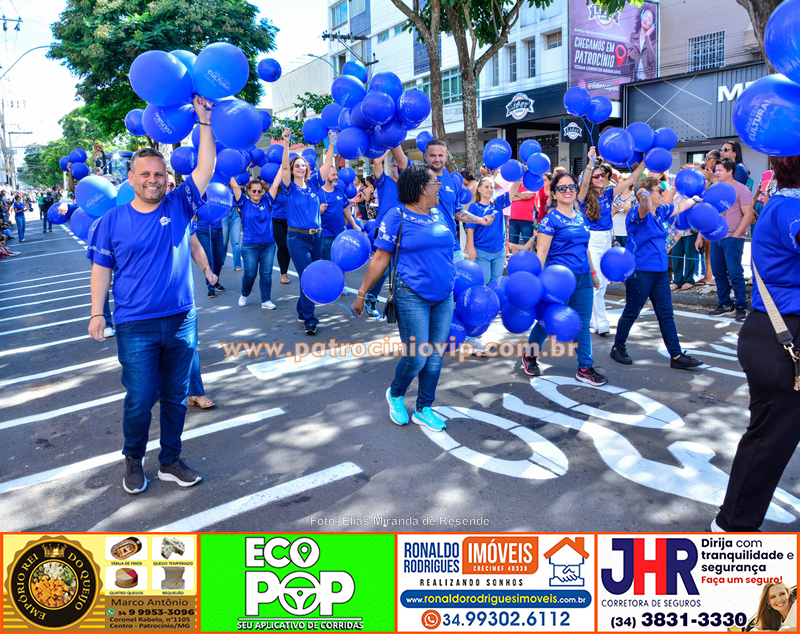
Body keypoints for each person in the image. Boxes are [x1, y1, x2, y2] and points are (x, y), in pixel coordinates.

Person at [86, 94, 214, 494]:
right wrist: (96, 313)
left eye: (159, 174)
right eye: (145, 175)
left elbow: (206, 167)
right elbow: (101, 268)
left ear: (166, 178)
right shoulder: (112, 220)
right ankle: (133, 458)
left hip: (181, 320)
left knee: (176, 398)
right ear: (132, 178)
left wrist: (204, 122)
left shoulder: (180, 204)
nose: (153, 180)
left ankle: (170, 461)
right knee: (141, 399)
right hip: (134, 325)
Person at [713, 155, 800, 533]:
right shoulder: (790, 208)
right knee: (770, 440)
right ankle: (730, 529)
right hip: (782, 339)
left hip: (778, 333)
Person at [352, 163, 456, 432]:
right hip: (411, 294)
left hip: (444, 295)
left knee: (434, 356)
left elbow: (447, 252)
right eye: (436, 184)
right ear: (422, 188)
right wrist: (362, 293)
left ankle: (424, 408)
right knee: (417, 356)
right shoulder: (396, 216)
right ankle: (396, 394)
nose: (440, 188)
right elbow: (380, 257)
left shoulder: (438, 215)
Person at [509, 172, 606, 386]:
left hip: (582, 280)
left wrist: (592, 273)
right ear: (553, 193)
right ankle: (529, 355)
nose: (568, 191)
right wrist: (537, 284)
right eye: (562, 188)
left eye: (571, 186)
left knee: (581, 324)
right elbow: (541, 253)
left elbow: (584, 248)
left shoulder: (580, 217)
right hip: (557, 282)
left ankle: (585, 367)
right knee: (547, 321)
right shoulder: (549, 220)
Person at [609, 178, 704, 369]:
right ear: (645, 192)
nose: (663, 193)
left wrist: (695, 199)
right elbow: (644, 207)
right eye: (658, 190)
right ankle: (618, 348)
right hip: (640, 271)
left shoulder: (661, 211)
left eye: (662, 190)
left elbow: (680, 206)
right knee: (631, 312)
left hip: (660, 272)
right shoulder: (637, 212)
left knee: (666, 315)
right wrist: (643, 198)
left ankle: (676, 356)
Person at [577, 147, 646, 336]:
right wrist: (591, 162)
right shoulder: (582, 198)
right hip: (592, 240)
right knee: (597, 282)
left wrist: (644, 162)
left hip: (608, 239)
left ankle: (593, 318)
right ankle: (601, 323)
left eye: (602, 176)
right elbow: (583, 185)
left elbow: (631, 180)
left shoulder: (607, 194)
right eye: (596, 176)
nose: (600, 178)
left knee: (604, 282)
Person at [280, 127, 335, 335]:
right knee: (308, 276)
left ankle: (301, 310)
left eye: (303, 165)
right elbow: (284, 168)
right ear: (293, 169)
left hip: (317, 236)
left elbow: (328, 164)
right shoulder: (289, 187)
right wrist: (286, 143)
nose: (301, 168)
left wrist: (331, 143)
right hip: (297, 238)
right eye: (297, 166)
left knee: (309, 276)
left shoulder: (313, 184)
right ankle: (310, 320)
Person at [701, 158, 755, 321]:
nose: (715, 173)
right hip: (715, 236)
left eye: (719, 170)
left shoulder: (742, 189)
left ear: (730, 171)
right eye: (715, 170)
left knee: (735, 273)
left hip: (733, 238)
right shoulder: (714, 189)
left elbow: (748, 214)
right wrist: (702, 235)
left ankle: (741, 306)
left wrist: (736, 234)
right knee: (719, 273)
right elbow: (707, 213)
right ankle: (725, 304)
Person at [231, 174, 277, 310]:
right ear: (248, 192)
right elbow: (234, 185)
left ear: (263, 192)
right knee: (250, 273)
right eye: (254, 191)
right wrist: (223, 166)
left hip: (268, 244)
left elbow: (275, 185)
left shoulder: (267, 201)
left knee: (266, 273)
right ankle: (244, 294)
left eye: (259, 191)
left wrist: (283, 165)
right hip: (250, 245)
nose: (257, 193)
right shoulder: (244, 203)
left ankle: (266, 300)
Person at [464, 177, 520, 284]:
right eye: (486, 187)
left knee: (495, 281)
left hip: (499, 250)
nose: (490, 189)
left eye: (492, 187)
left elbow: (511, 194)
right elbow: (470, 229)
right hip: (482, 251)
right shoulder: (474, 207)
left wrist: (517, 179)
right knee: (484, 280)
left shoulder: (497, 203)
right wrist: (471, 248)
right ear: (479, 189)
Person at [187, 225, 218, 409]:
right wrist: (98, 312)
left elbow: (195, 247)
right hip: (138, 307)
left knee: (189, 348)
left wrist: (206, 270)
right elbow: (103, 265)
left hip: (180, 302)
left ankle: (196, 393)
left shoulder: (179, 210)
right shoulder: (117, 217)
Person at [320, 164, 360, 260]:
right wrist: (319, 210)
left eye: (336, 175)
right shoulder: (318, 192)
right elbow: (310, 214)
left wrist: (354, 225)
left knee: (341, 261)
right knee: (329, 264)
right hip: (325, 236)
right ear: (325, 176)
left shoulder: (339, 191)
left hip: (340, 234)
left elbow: (346, 209)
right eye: (333, 175)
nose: (336, 177)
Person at [269, 170, 292, 286]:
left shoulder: (291, 189)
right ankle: (283, 274)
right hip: (276, 220)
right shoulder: (274, 189)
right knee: (282, 246)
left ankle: (285, 272)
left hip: (290, 222)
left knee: (288, 248)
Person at [628, 2, 657, 81]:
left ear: (653, 25)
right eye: (645, 15)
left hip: (648, 84)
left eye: (649, 19)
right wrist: (630, 58)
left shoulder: (654, 42)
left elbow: (652, 60)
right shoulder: (633, 36)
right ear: (641, 15)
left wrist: (647, 37)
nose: (646, 19)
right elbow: (629, 67)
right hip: (635, 81)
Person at [508, 180, 536, 247]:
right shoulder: (515, 186)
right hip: (513, 218)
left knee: (528, 242)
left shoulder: (532, 186)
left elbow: (527, 196)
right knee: (512, 243)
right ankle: (514, 256)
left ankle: (528, 257)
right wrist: (521, 196)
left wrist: (515, 193)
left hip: (527, 219)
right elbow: (510, 197)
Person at [611, 175, 635, 248]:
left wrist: (625, 208)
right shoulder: (617, 195)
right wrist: (614, 210)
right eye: (618, 182)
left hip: (627, 230)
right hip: (616, 230)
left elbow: (635, 212)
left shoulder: (634, 195)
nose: (618, 184)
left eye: (621, 182)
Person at [221, 202, 243, 272]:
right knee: (224, 242)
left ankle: (237, 265)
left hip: (235, 211)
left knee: (236, 241)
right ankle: (220, 262)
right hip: (224, 211)